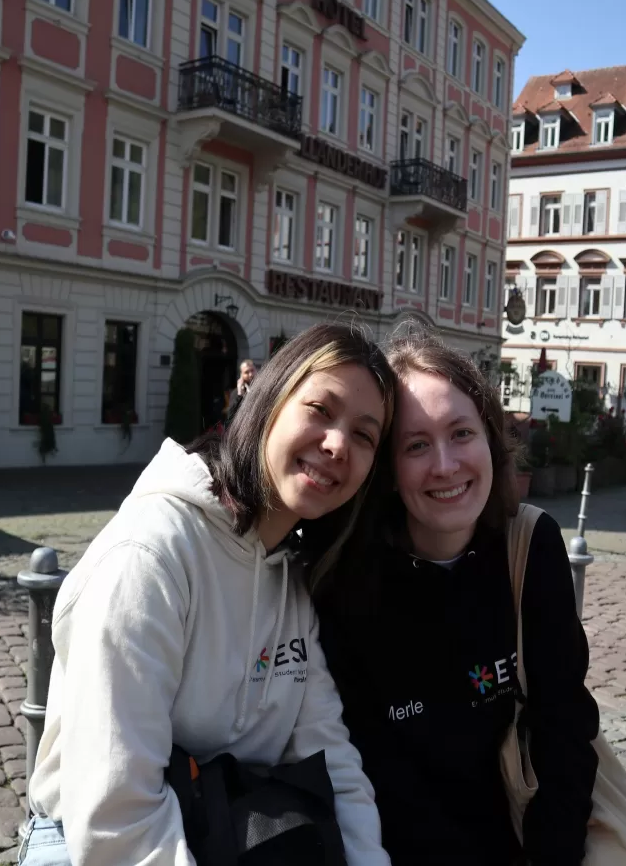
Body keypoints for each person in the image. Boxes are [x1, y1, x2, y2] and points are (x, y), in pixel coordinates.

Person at [21, 323, 395, 866]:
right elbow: (114, 820)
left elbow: (331, 756)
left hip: (229, 827)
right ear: (269, 402)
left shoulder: (289, 575)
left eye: (364, 435)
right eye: (319, 408)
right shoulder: (150, 555)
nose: (338, 444)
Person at [312, 331, 600, 865]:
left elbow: (564, 730)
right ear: (389, 473)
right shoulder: (346, 576)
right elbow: (358, 766)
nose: (444, 466)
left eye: (461, 433)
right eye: (416, 445)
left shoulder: (530, 547)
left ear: (490, 440)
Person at [224, 358, 257, 426]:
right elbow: (230, 416)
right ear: (241, 375)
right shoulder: (236, 393)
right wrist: (240, 394)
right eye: (246, 372)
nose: (250, 374)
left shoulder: (262, 388)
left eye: (252, 370)